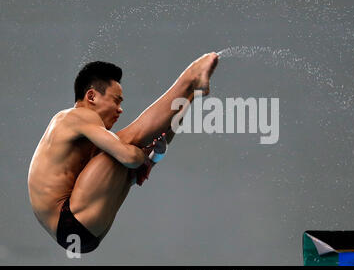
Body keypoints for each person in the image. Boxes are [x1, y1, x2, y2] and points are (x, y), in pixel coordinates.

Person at [27, 53, 219, 253]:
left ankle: (191, 95)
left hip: (80, 231)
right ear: (91, 96)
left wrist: (151, 158)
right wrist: (141, 157)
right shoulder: (74, 117)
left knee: (133, 148)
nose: (120, 110)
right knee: (129, 141)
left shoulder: (89, 135)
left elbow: (133, 170)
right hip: (70, 220)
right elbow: (130, 158)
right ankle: (190, 76)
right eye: (116, 101)